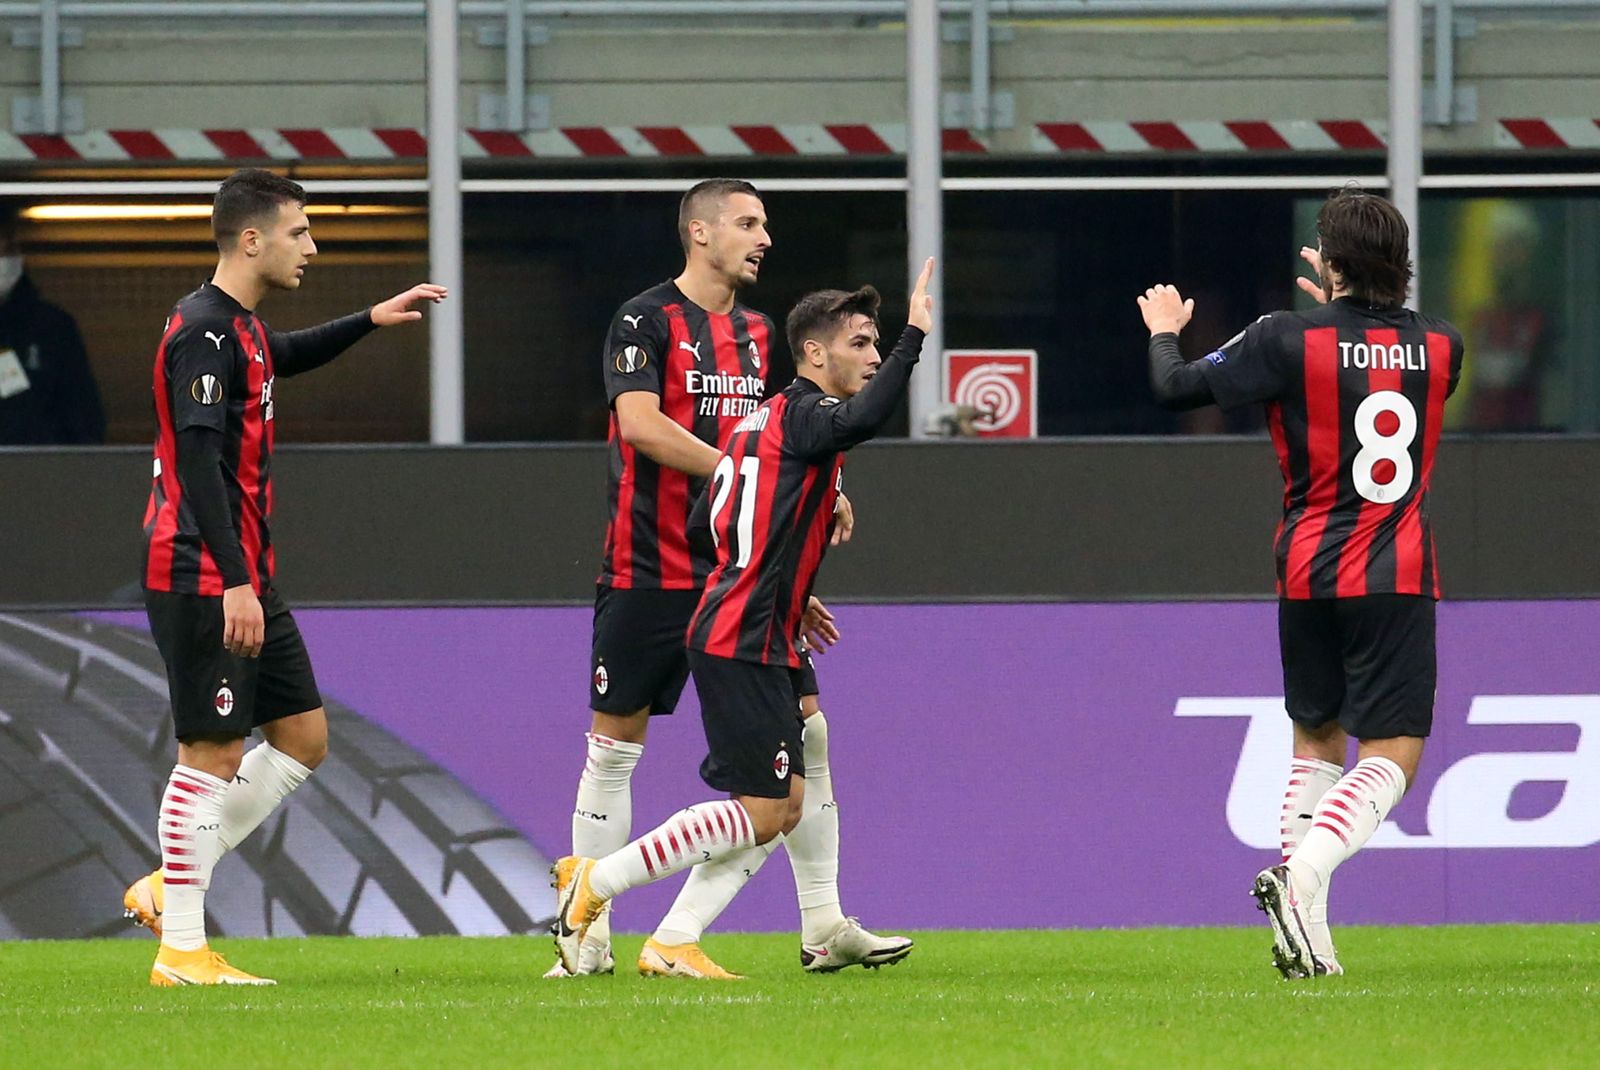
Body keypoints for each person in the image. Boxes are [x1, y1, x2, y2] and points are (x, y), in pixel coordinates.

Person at [553, 177, 907, 979]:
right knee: (614, 750)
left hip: (738, 570)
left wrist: (803, 507)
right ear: (700, 234)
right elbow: (640, 425)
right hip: (647, 565)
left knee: (807, 735)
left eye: (765, 224)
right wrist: (752, 481)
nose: (764, 238)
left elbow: (787, 429)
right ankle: (586, 945)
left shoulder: (755, 332)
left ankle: (821, 923)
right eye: (748, 223)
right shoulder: (643, 319)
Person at [121, 168, 446, 986]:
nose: (313, 245)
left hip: (246, 573)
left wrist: (372, 319)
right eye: (300, 232)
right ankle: (183, 952)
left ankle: (174, 884)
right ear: (252, 238)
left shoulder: (245, 330)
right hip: (204, 572)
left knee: (303, 738)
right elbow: (195, 462)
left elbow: (285, 359)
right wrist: (234, 580)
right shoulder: (200, 329)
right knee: (211, 750)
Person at [1137, 187, 1462, 979]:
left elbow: (1177, 387)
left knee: (1317, 741)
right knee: (1395, 753)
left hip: (1309, 571)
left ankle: (1310, 937)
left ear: (1335, 261)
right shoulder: (1444, 349)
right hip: (1397, 571)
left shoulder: (1287, 338)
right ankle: (1304, 878)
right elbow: (1374, 364)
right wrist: (1346, 313)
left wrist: (1166, 335)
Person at [0, 208, 105, 444]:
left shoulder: (51, 328)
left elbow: (84, 417)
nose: (5, 259)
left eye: (9, 249)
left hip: (41, 472)